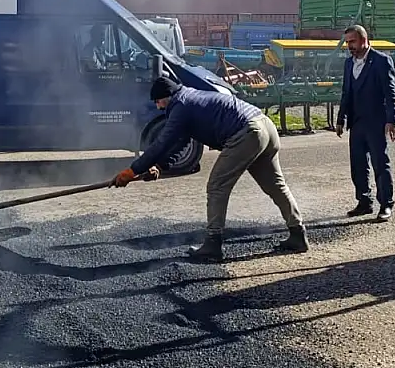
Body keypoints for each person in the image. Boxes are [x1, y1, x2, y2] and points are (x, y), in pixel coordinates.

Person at [111, 76, 308, 262]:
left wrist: (132, 171)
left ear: (166, 97)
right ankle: (297, 234)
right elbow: (181, 142)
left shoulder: (180, 106)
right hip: (265, 126)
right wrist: (160, 167)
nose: (158, 106)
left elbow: (162, 143)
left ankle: (213, 244)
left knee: (217, 186)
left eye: (158, 102)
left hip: (247, 132)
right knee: (275, 185)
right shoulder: (191, 97)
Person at [335, 24, 395, 222]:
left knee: (381, 164)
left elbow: (390, 92)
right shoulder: (349, 64)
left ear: (364, 39)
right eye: (347, 42)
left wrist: (392, 120)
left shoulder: (381, 61)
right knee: (358, 165)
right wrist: (341, 119)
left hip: (376, 122)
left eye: (352, 41)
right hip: (357, 123)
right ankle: (364, 202)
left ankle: (386, 204)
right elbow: (347, 93)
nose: (349, 46)